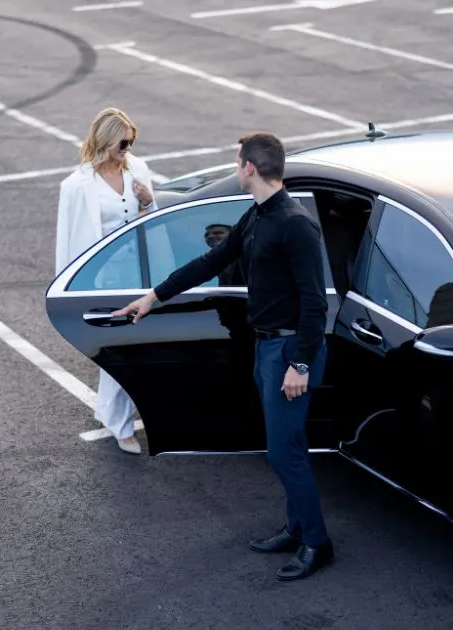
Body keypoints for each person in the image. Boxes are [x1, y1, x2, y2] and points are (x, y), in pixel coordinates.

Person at [112, 132, 334, 581]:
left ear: (250, 167)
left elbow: (315, 303)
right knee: (285, 447)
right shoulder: (257, 217)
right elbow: (210, 261)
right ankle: (295, 528)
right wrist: (154, 297)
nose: (235, 168)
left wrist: (301, 365)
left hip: (290, 351)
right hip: (267, 346)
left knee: (284, 452)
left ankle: (317, 542)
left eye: (238, 162)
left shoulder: (294, 223)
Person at [55, 107, 157, 455]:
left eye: (131, 141)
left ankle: (111, 412)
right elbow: (67, 239)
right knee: (118, 347)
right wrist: (67, 289)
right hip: (101, 279)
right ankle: (120, 424)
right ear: (106, 140)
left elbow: (152, 221)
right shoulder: (75, 186)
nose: (128, 148)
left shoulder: (137, 170)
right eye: (123, 142)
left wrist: (148, 201)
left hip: (137, 275)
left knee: (131, 345)